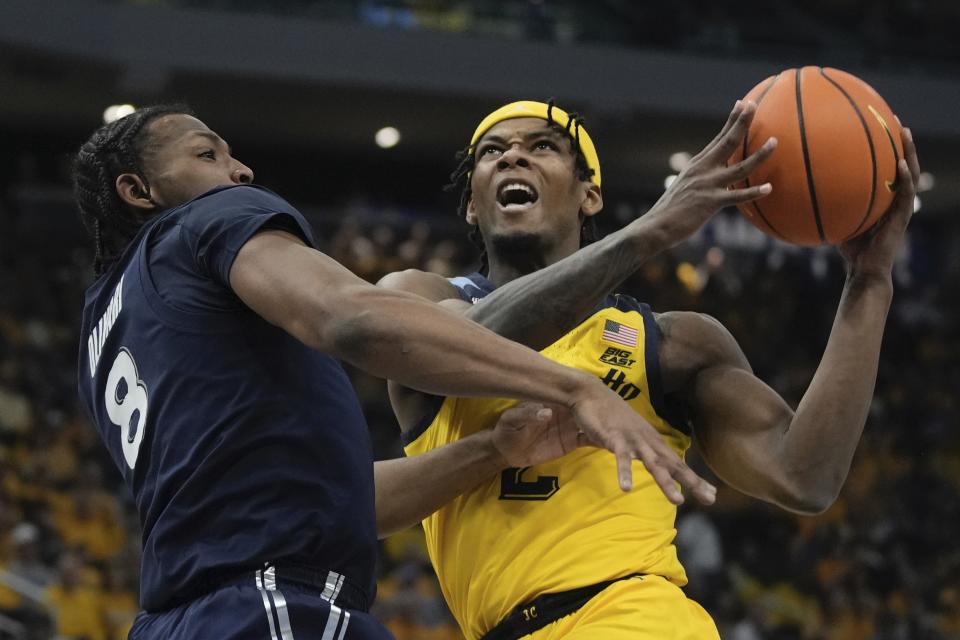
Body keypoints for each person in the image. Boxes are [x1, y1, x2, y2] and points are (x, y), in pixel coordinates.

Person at [72, 105, 716, 640]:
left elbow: (339, 495)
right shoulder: (209, 220)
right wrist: (574, 385)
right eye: (207, 156)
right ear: (139, 191)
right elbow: (352, 319)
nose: (239, 170)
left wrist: (492, 449)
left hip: (177, 617)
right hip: (266, 600)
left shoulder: (106, 330)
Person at [378, 99, 920, 639]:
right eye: (491, 151)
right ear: (473, 204)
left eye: (542, 146)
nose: (512, 157)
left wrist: (868, 287)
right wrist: (651, 230)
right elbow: (466, 345)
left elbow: (805, 477)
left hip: (638, 619)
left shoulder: (672, 341)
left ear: (589, 196)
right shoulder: (417, 300)